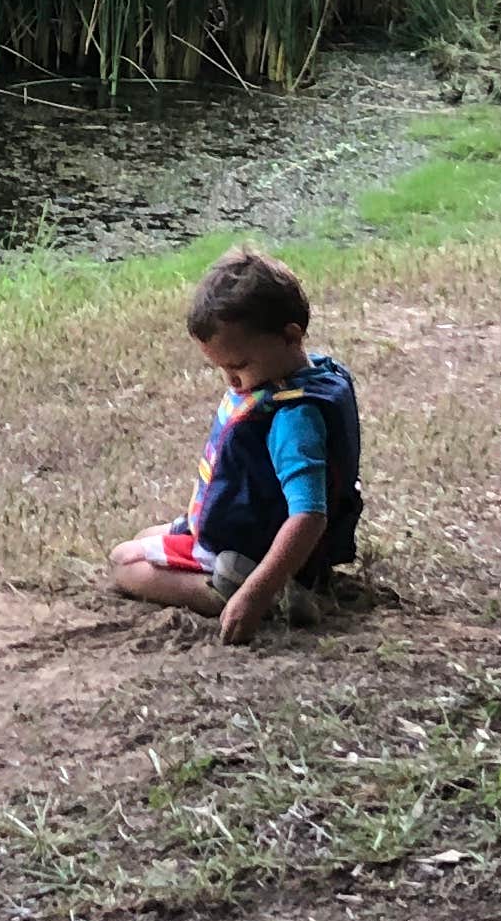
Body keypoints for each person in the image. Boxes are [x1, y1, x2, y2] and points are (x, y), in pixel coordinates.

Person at [110, 248, 356, 644]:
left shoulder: (293, 417)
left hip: (251, 551)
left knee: (124, 562)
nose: (231, 381)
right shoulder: (312, 373)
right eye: (222, 369)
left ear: (290, 336)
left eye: (238, 366)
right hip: (257, 537)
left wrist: (256, 594)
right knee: (143, 536)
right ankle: (279, 582)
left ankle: (235, 591)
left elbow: (310, 515)